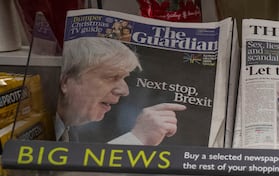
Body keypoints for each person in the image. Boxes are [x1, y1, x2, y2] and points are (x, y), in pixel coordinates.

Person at [56, 37, 186, 145]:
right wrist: (137, 138)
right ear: (67, 82)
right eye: (112, 77)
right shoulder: (40, 124)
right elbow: (72, 175)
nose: (124, 91)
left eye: (123, 78)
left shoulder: (68, 131)